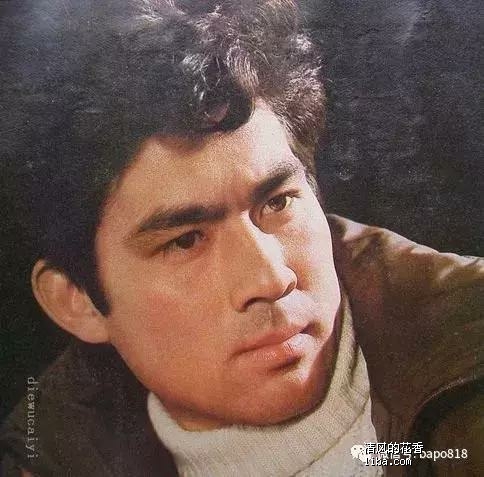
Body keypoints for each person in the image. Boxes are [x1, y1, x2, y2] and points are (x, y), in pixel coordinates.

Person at [0, 1, 482, 476]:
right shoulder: (47, 455)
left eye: (278, 202)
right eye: (185, 241)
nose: (271, 279)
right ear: (77, 302)